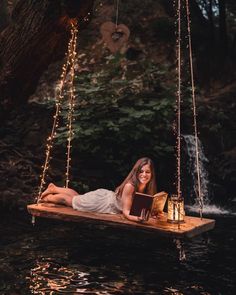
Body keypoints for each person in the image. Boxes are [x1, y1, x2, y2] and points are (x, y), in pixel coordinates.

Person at [40, 157, 157, 222]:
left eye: (147, 172)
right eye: (141, 171)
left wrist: (152, 212)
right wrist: (137, 219)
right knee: (72, 202)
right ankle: (49, 197)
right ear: (136, 172)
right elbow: (126, 212)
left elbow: (139, 206)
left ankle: (54, 188)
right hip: (102, 202)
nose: (144, 175)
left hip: (107, 199)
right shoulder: (130, 186)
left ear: (151, 174)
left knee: (77, 197)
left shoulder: (146, 186)